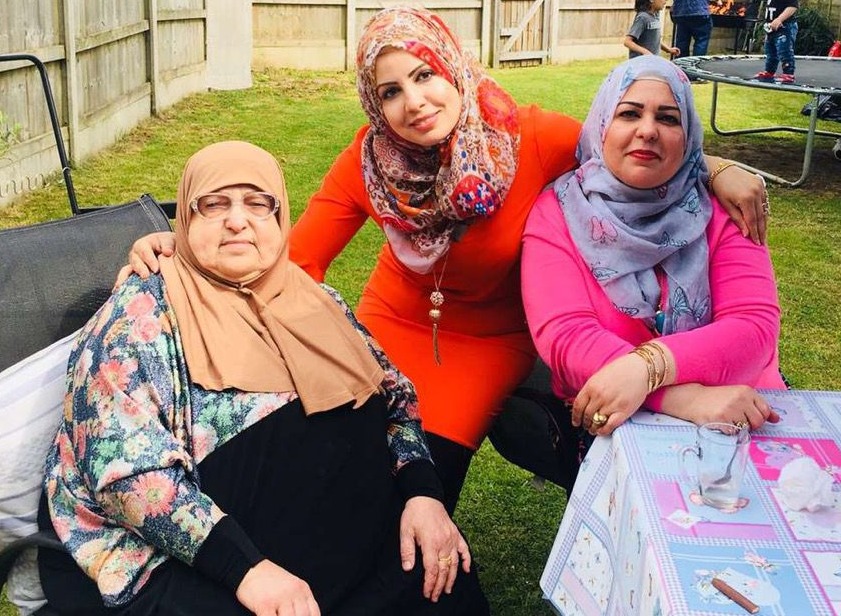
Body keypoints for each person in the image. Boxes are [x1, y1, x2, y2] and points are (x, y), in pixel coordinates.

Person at [123, 7, 770, 514]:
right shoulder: (370, 162)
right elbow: (295, 257)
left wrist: (717, 167)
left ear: (453, 68)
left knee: (423, 476)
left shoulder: (531, 137)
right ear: (375, 103)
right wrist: (179, 254)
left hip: (488, 339)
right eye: (392, 90)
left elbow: (628, 141)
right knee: (338, 461)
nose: (415, 102)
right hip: (388, 323)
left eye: (425, 75)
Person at [39, 141, 489, 616]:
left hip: (358, 548)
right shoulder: (137, 319)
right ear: (186, 223)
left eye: (259, 203)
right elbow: (128, 475)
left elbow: (395, 400)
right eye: (214, 204)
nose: (238, 220)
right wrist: (246, 570)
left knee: (446, 585)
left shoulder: (317, 301)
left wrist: (423, 495)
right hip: (214, 566)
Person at [521, 56, 785, 454]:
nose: (648, 131)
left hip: (739, 406)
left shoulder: (725, 208)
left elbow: (754, 328)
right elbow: (567, 338)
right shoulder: (558, 212)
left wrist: (646, 368)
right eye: (629, 114)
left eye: (668, 118)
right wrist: (683, 399)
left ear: (689, 135)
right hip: (620, 414)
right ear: (602, 125)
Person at [753, 0, 799, 84]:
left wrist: (779, 19)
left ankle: (788, 73)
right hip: (772, 28)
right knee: (770, 50)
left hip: (785, 26)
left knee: (784, 50)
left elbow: (792, 6)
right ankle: (769, 71)